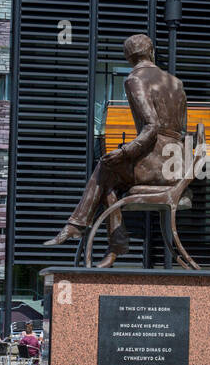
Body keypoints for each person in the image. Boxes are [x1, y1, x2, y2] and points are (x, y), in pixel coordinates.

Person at [43, 34, 187, 267]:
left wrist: (126, 151)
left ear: (129, 58)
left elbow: (152, 126)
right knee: (109, 180)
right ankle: (112, 242)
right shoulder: (175, 82)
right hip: (176, 164)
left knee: (105, 167)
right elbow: (183, 130)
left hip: (156, 164)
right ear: (151, 52)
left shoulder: (135, 79)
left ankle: (80, 227)